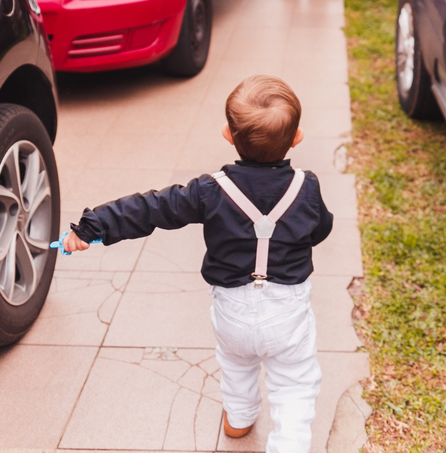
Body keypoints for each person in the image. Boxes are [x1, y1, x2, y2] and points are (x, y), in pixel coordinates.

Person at [61, 75, 334, 453]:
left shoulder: (210, 190)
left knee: (237, 365)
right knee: (295, 384)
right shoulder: (307, 186)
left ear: (227, 134)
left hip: (232, 311)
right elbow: (320, 229)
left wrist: (95, 226)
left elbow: (151, 208)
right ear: (297, 137)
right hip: (287, 313)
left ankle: (239, 418)